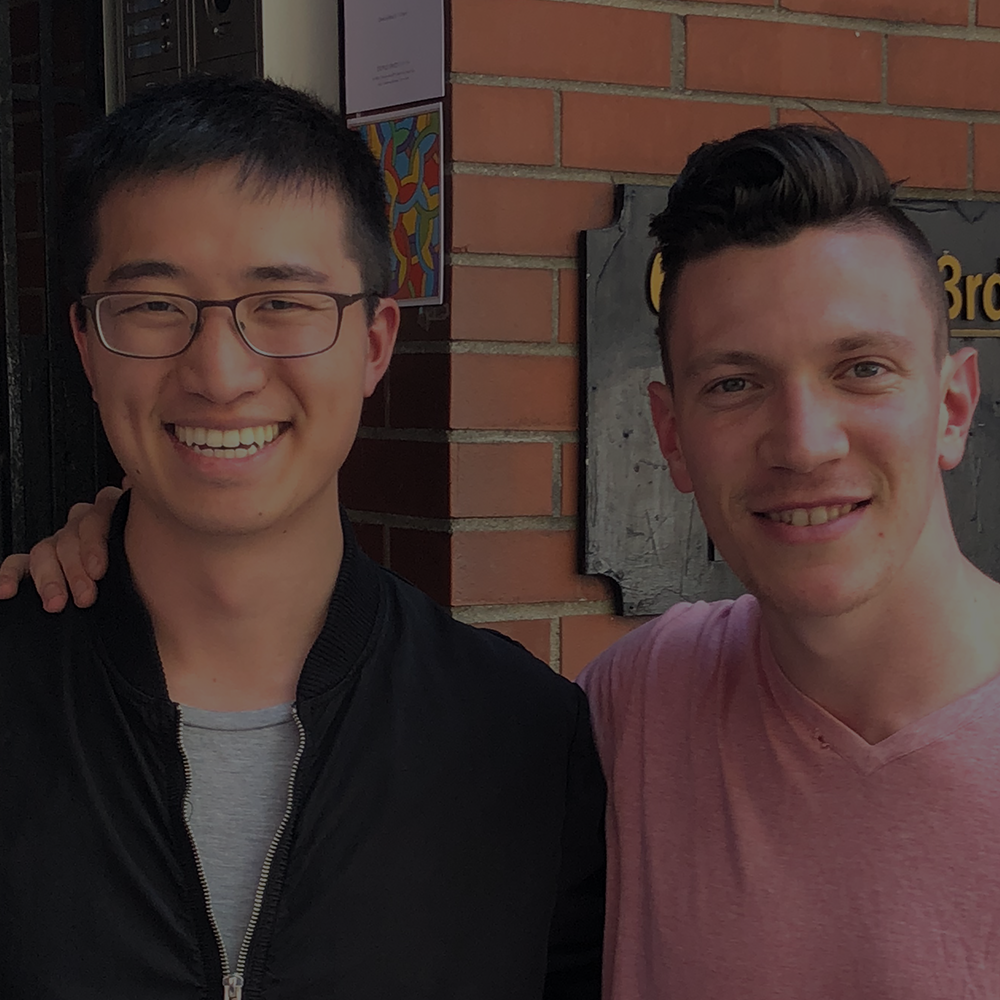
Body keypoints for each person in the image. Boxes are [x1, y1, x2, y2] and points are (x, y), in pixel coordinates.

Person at [12, 123, 998, 998]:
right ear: (670, 434)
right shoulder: (637, 711)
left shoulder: (527, 735)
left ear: (954, 403)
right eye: (735, 382)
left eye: (862, 369)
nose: (805, 441)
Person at [0, 75, 605, 999]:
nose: (221, 374)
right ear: (87, 345)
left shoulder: (522, 736)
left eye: (282, 303)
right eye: (153, 305)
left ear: (374, 343)